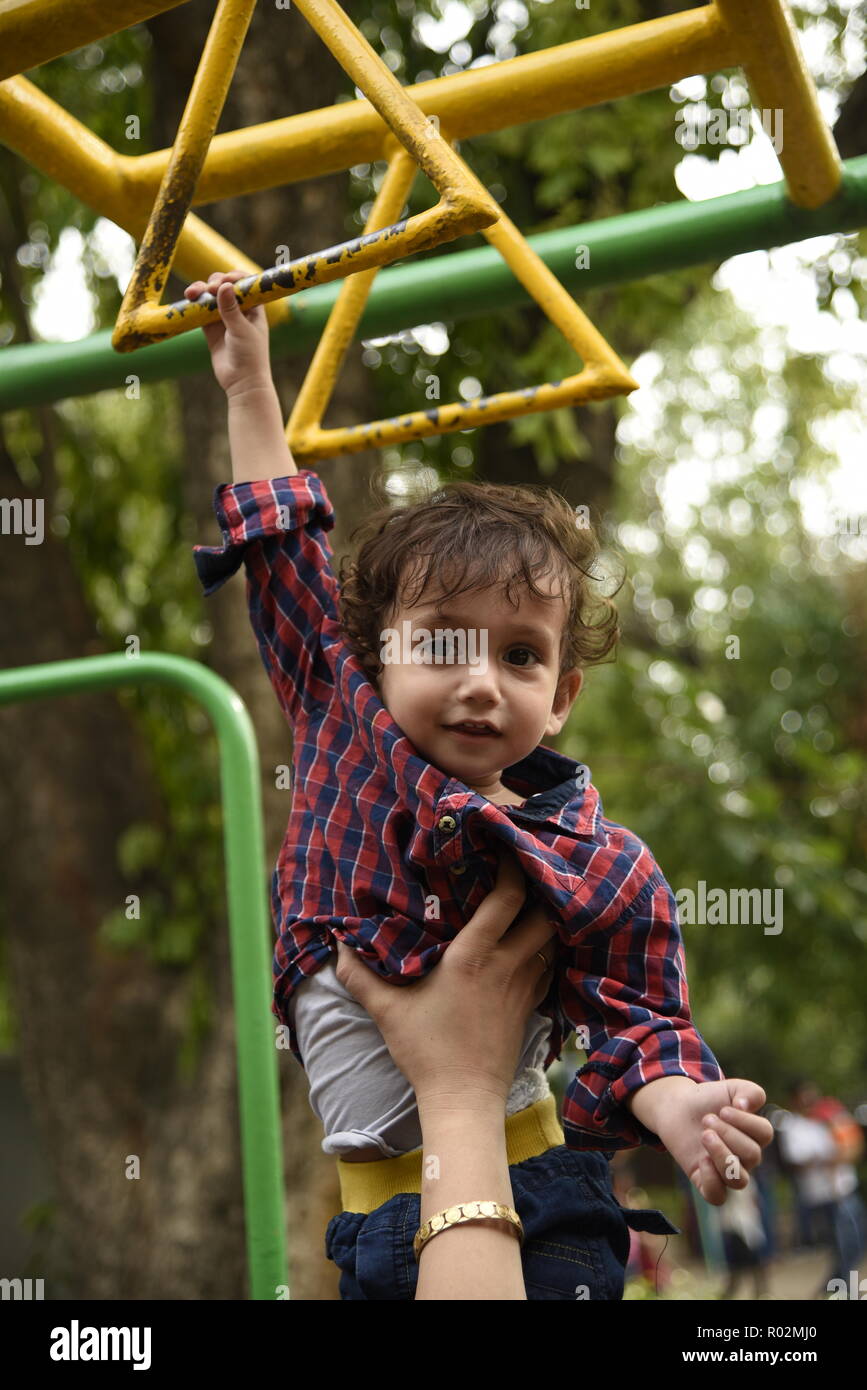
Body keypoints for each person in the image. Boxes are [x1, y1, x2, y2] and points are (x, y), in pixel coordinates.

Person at [187, 269, 773, 1300]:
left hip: (536, 1196)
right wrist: (248, 393)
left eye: (520, 655)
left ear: (560, 696)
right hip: (371, 1220)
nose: (478, 680)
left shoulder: (585, 853)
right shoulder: (339, 714)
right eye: (445, 644)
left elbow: (639, 1004)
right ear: (371, 655)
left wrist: (675, 1099)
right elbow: (283, 547)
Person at [777, 1078, 867, 1298]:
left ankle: (833, 1284)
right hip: (822, 1197)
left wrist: (840, 1152)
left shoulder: (831, 1116)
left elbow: (853, 1146)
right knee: (841, 1244)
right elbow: (797, 1162)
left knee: (857, 1241)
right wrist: (826, 1158)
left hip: (845, 1190)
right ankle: (842, 1288)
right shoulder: (793, 1126)